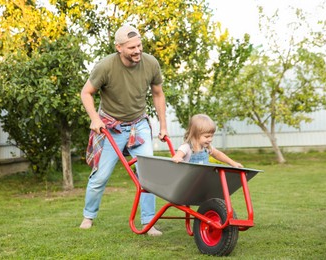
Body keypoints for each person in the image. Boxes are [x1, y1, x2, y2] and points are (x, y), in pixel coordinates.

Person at [79, 24, 168, 236]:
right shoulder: (106, 66)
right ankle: (88, 216)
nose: (137, 51)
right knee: (100, 176)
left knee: (149, 174)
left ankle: (148, 222)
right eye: (131, 48)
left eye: (139, 45)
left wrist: (163, 125)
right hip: (111, 127)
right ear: (119, 47)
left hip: (139, 125)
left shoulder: (150, 63)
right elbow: (86, 93)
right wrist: (95, 119)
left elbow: (158, 94)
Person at [172, 114, 243, 168]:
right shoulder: (186, 147)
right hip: (189, 180)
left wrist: (232, 163)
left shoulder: (207, 148)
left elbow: (218, 154)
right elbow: (176, 157)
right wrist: (178, 158)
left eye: (211, 136)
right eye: (207, 136)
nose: (210, 139)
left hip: (202, 178)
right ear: (195, 135)